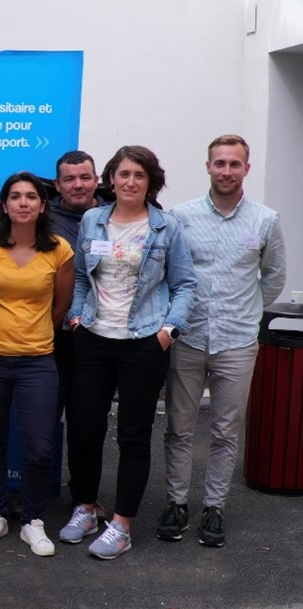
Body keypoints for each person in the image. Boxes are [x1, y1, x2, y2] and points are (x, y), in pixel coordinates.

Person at [60, 145, 196, 560]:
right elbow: (80, 277)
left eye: (139, 175)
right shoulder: (93, 220)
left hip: (144, 342)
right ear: (111, 180)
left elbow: (185, 285)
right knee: (84, 429)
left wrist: (168, 331)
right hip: (93, 338)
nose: (131, 182)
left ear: (150, 182)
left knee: (133, 435)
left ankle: (122, 525)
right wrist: (76, 317)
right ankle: (86, 507)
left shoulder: (166, 227)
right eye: (124, 174)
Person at [158, 134, 285, 547]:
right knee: (178, 427)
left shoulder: (265, 220)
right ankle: (177, 503)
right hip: (189, 337)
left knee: (226, 431)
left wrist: (248, 312)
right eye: (220, 163)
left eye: (234, 164)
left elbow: (274, 276)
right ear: (208, 167)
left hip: (237, 341)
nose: (226, 171)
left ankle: (214, 507)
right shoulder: (181, 216)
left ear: (246, 168)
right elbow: (169, 273)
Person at [0, 172, 74, 556]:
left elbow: (61, 307)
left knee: (40, 446)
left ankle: (32, 520)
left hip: (37, 362)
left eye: (31, 197)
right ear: (5, 205)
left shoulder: (59, 249)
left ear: (42, 206)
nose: (23, 202)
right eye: (15, 196)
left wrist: (32, 332)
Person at [48, 151, 113, 520]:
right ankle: (33, 492)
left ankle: (83, 494)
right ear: (58, 185)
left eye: (85, 177)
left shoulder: (113, 216)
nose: (78, 185)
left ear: (96, 181)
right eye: (69, 179)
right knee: (42, 419)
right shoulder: (43, 218)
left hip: (98, 336)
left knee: (88, 424)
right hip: (50, 337)